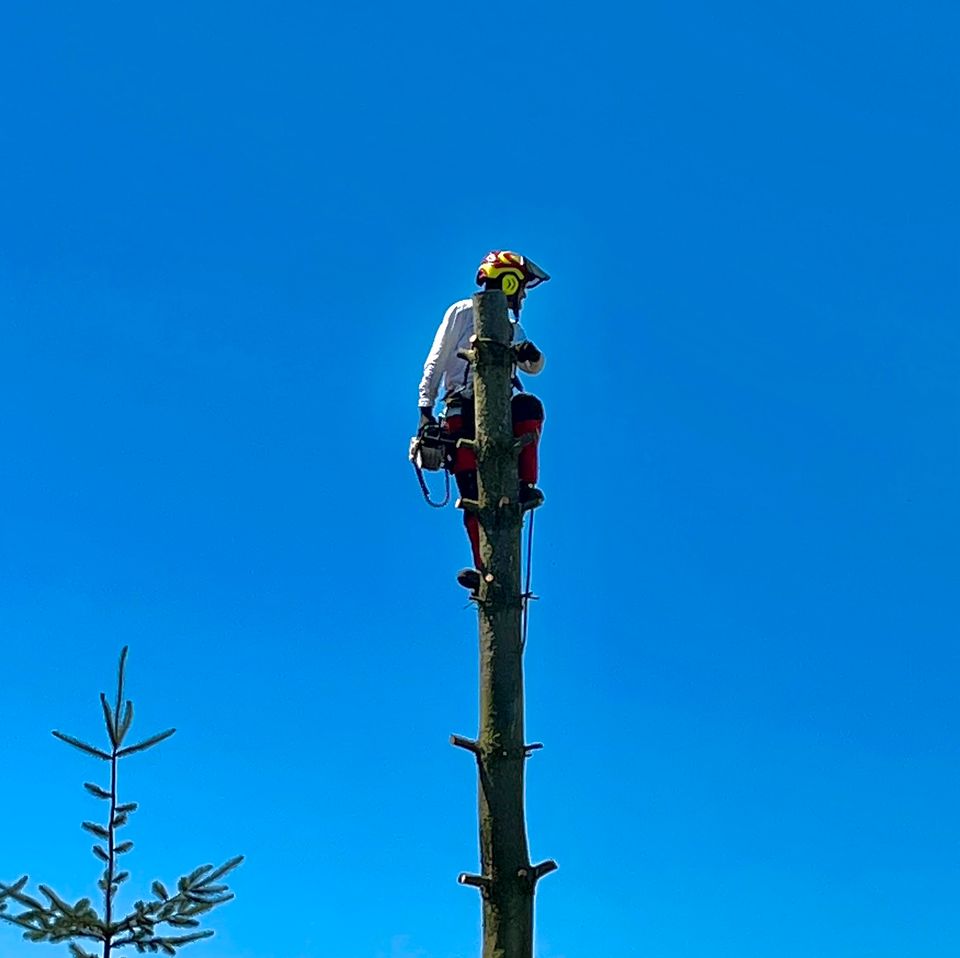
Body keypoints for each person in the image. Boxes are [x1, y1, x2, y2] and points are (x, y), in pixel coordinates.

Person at [417, 250, 549, 593]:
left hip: (498, 410)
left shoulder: (510, 328)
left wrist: (529, 355)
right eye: (519, 287)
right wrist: (425, 408)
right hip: (461, 408)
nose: (521, 295)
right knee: (473, 498)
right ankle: (486, 572)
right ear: (508, 281)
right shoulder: (462, 312)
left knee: (528, 407)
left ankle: (524, 485)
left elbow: (534, 364)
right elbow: (437, 359)